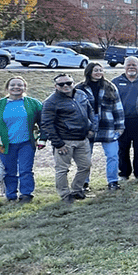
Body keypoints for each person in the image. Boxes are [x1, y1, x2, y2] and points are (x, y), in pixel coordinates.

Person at [0, 76, 44, 203]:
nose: (16, 87)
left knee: (25, 170)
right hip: (4, 145)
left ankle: (26, 195)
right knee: (9, 171)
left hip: (26, 143)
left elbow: (44, 122)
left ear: (25, 88)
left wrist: (42, 139)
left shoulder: (34, 104)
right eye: (13, 85)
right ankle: (10, 195)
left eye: (20, 85)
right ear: (7, 88)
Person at [40, 73, 97, 201]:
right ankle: (65, 195)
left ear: (73, 83)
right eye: (61, 84)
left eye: (69, 83)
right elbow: (47, 124)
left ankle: (77, 189)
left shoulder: (81, 95)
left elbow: (90, 111)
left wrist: (92, 128)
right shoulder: (51, 102)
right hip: (65, 141)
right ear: (56, 86)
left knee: (85, 166)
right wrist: (58, 143)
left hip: (83, 139)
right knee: (62, 169)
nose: (66, 86)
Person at [81, 63, 125, 191]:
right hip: (87, 127)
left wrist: (120, 126)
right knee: (85, 157)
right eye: (95, 70)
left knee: (112, 155)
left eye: (100, 70)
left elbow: (118, 107)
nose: (98, 72)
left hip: (108, 126)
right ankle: (84, 183)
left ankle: (113, 181)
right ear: (89, 72)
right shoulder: (80, 88)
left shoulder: (110, 87)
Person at [113, 56, 138, 181]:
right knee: (122, 149)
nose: (131, 67)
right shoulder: (116, 82)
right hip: (122, 121)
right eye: (129, 65)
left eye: (134, 65)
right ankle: (124, 173)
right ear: (124, 66)